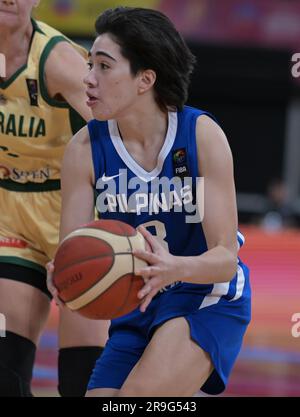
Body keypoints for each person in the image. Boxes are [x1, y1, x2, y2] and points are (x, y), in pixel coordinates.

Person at [48, 6, 251, 396]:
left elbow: (225, 260)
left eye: (104, 67)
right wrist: (63, 276)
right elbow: (72, 250)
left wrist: (175, 267)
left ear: (145, 79)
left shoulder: (201, 135)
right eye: (89, 64)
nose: (87, 79)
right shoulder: (84, 148)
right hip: (134, 306)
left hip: (203, 296)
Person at [0, 0, 109, 397]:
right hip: (11, 218)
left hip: (77, 215)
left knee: (82, 382)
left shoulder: (59, 61)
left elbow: (123, 133)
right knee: (4, 374)